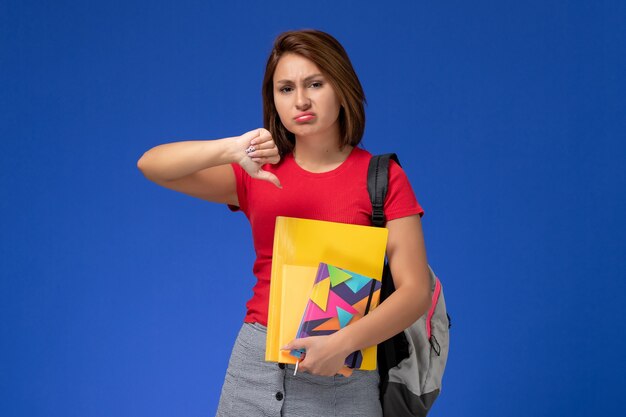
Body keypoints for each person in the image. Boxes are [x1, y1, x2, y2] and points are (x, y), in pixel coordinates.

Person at [137, 29, 432, 417]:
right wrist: (230, 149)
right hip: (254, 369)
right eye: (286, 89)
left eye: (315, 84)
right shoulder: (258, 173)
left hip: (342, 371)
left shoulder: (381, 178)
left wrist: (343, 343)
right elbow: (152, 165)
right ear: (272, 99)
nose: (301, 101)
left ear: (342, 88)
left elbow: (415, 291)